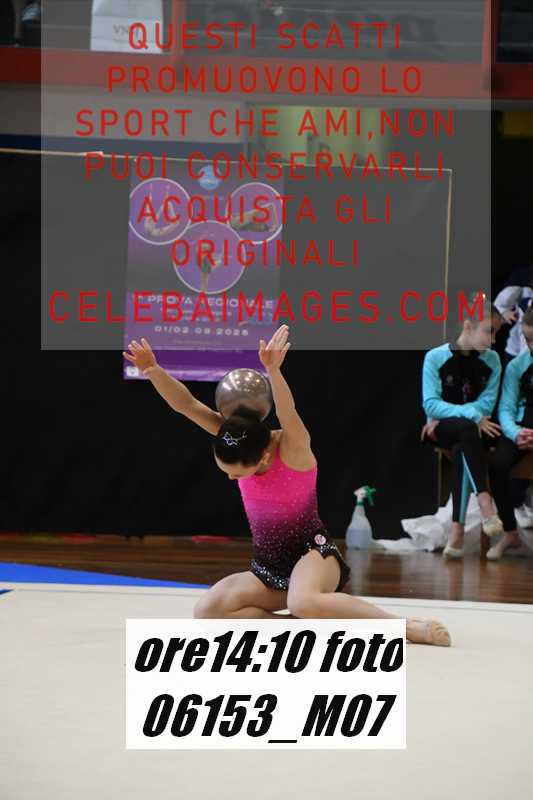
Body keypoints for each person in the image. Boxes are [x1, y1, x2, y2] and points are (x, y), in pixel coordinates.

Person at [123, 326, 451, 646]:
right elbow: (188, 405)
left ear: (264, 457)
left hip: (314, 556)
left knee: (303, 601)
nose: (232, 479)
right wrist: (153, 370)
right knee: (208, 611)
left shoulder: (293, 450)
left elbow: (288, 412)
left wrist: (273, 372)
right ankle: (305, 625)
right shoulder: (237, 438)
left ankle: (403, 627)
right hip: (270, 567)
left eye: (237, 474)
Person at [421, 300, 504, 558]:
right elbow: (431, 404)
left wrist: (470, 415)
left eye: (496, 333)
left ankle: (457, 531)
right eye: (489, 331)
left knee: (463, 445)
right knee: (466, 430)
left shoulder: (493, 360)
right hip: (442, 429)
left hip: (477, 431)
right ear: (468, 326)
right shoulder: (435, 357)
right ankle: (484, 500)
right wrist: (472, 414)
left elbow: (487, 403)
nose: (493, 340)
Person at [488, 306, 533, 559]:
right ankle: (510, 531)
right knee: (497, 464)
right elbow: (506, 407)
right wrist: (515, 433)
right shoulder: (517, 365)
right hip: (521, 429)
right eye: (527, 340)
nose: (531, 346)